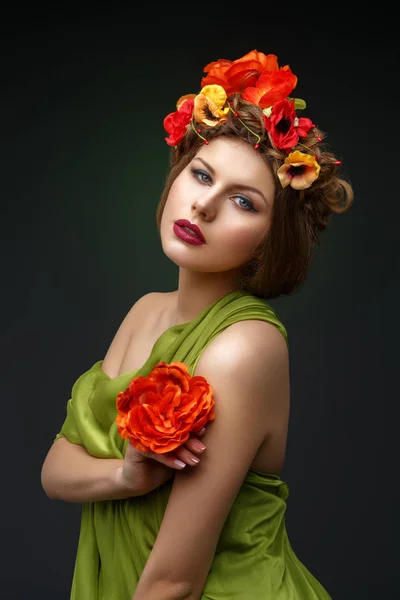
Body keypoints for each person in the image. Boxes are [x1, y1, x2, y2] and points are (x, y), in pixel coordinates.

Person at [41, 49, 353, 599]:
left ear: (270, 238)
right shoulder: (145, 310)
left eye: (242, 200)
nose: (204, 206)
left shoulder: (244, 347)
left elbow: (175, 583)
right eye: (201, 174)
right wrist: (123, 477)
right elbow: (55, 470)